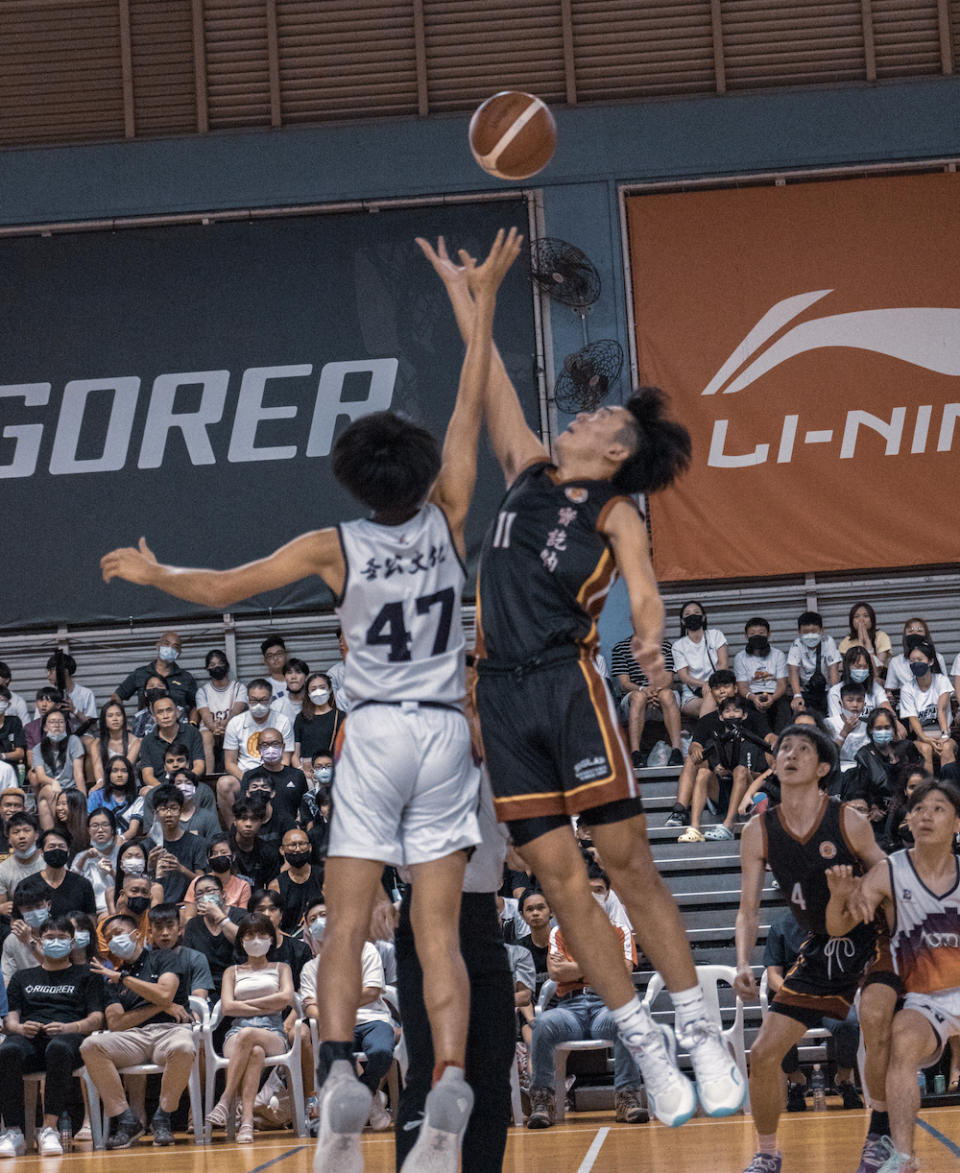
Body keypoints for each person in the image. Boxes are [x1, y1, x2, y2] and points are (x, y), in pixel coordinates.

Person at [102, 228, 523, 1173]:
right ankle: (449, 1080)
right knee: (439, 931)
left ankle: (337, 1072)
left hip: (370, 735)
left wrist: (153, 569)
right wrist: (481, 297)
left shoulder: (335, 546)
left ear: (355, 479)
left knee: (344, 919)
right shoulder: (452, 511)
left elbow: (222, 588)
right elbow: (468, 399)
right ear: (418, 474)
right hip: (446, 734)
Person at [419, 232, 746, 1136]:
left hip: (569, 687)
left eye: (598, 420)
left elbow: (644, 593)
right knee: (561, 881)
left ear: (617, 448)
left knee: (628, 863)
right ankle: (644, 1041)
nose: (580, 416)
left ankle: (698, 1028)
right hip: (500, 696)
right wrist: (469, 293)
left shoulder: (612, 512)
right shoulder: (527, 473)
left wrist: (651, 649)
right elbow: (488, 384)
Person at [733, 723, 894, 1173]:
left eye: (803, 749)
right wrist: (743, 962)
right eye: (784, 747)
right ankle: (767, 1153)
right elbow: (747, 910)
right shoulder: (757, 831)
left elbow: (890, 875)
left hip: (872, 935)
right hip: (822, 944)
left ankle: (880, 1134)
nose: (790, 754)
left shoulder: (846, 818)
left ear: (823, 767)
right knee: (764, 1055)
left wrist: (859, 892)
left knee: (876, 1021)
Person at [826, 778, 960, 1172]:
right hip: (928, 999)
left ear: (956, 823)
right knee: (901, 1040)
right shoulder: (889, 872)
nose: (926, 816)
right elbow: (839, 927)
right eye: (918, 808)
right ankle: (903, 1157)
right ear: (907, 819)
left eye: (938, 809)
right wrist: (841, 898)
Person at [525, 864, 645, 1129]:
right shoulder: (559, 931)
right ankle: (543, 1101)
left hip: (607, 1006)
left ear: (608, 894)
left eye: (599, 890)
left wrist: (576, 969)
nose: (594, 896)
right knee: (542, 1024)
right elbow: (556, 972)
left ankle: (627, 1098)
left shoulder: (620, 932)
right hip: (570, 1010)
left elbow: (622, 972)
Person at [81, 911, 201, 1148]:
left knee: (184, 1047)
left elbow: (165, 992)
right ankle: (126, 1120)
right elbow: (116, 1023)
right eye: (108, 937)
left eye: (118, 933)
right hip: (132, 1038)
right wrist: (162, 1006)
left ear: (136, 934)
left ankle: (162, 1117)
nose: (114, 940)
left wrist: (124, 978)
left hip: (170, 1031)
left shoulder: (164, 958)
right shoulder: (109, 979)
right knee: (90, 1046)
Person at [0, 913, 104, 1157]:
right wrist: (19, 1029)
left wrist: (70, 1028)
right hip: (29, 1039)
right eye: (49, 937)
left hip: (69, 1040)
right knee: (7, 1050)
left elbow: (97, 1018)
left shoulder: (87, 974)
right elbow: (10, 1019)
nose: (55, 942)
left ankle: (49, 1128)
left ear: (71, 942)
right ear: (40, 940)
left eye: (61, 937)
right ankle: (13, 1131)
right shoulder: (22, 977)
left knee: (58, 1047)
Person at [207, 911, 296, 1143]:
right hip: (236, 1034)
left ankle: (226, 1100)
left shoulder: (281, 968)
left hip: (274, 1033)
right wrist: (267, 1004)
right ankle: (246, 1122)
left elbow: (285, 998)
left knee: (251, 1036)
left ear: (271, 938)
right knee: (254, 1050)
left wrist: (244, 1005)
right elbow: (227, 1007)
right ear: (241, 941)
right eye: (249, 935)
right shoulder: (232, 972)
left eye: (261, 934)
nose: (256, 940)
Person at [764, 907, 863, 1112]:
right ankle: (796, 1080)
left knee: (849, 1023)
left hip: (829, 995)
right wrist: (794, 995)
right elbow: (773, 975)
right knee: (777, 1027)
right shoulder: (780, 926)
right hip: (795, 996)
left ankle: (844, 1079)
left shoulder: (835, 921)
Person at [679, 693, 772, 843]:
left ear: (744, 715)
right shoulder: (714, 742)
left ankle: (728, 827)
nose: (732, 715)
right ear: (721, 717)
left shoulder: (754, 743)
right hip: (720, 792)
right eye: (727, 711)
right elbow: (702, 762)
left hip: (746, 796)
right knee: (703, 772)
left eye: (736, 711)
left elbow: (761, 779)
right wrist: (717, 770)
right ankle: (694, 829)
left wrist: (742, 772)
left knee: (740, 770)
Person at [219, 682, 294, 826]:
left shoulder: (282, 721)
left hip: (275, 774)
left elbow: (285, 759)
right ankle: (233, 830)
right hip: (244, 776)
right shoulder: (236, 723)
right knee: (224, 784)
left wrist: (268, 782)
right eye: (254, 700)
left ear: (271, 699)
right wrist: (249, 780)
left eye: (263, 700)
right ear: (248, 700)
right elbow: (229, 763)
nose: (258, 704)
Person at [610, 632, 682, 768]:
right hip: (634, 696)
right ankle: (635, 753)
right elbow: (624, 684)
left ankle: (676, 751)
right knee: (639, 697)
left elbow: (668, 679)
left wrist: (654, 691)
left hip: (660, 694)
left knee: (667, 695)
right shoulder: (621, 648)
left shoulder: (665, 646)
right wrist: (644, 690)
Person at [182, 872, 244, 999]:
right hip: (205, 986)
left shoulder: (240, 916)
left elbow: (245, 943)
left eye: (210, 891)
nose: (205, 896)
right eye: (200, 894)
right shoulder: (193, 925)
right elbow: (189, 961)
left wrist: (220, 917)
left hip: (238, 982)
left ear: (223, 895)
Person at [898, 640, 956, 772]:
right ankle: (927, 790)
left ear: (930, 661)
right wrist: (926, 739)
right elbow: (913, 719)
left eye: (919, 659)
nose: (915, 663)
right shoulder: (907, 689)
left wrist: (944, 736)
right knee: (926, 749)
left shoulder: (941, 681)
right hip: (922, 738)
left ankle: (950, 790)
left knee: (946, 748)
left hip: (944, 734)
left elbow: (941, 710)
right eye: (912, 660)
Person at [111, 631, 198, 718]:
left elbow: (196, 705)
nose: (170, 648)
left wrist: (192, 724)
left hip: (177, 729)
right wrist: (122, 723)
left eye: (175, 646)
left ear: (179, 653)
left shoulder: (186, 678)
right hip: (145, 728)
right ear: (158, 646)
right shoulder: (140, 673)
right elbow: (117, 696)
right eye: (166, 644)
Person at [147, 784, 208, 903]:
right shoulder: (148, 844)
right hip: (156, 906)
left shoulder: (197, 842)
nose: (169, 814)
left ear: (181, 811)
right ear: (156, 813)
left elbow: (202, 882)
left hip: (186, 904)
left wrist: (181, 869)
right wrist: (150, 867)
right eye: (164, 809)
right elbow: (140, 885)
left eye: (173, 808)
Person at [672, 600, 729, 719]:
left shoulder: (715, 635)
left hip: (718, 688)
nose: (692, 616)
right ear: (682, 621)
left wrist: (712, 685)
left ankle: (700, 737)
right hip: (692, 696)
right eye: (687, 614)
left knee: (713, 700)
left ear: (703, 617)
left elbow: (723, 665)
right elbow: (684, 676)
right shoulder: (678, 645)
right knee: (712, 703)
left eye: (696, 612)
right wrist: (705, 684)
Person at [196, 649, 248, 775]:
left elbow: (236, 711)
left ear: (227, 665)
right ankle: (209, 776)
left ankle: (234, 775)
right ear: (207, 668)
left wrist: (225, 726)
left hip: (232, 727)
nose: (216, 667)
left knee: (232, 732)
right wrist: (214, 727)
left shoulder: (239, 688)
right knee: (206, 737)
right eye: (212, 665)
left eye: (220, 663)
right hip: (210, 730)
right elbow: (205, 715)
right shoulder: (202, 691)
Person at [735, 618, 790, 734]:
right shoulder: (740, 657)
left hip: (774, 696)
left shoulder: (778, 655)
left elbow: (782, 684)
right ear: (746, 636)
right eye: (752, 634)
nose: (757, 636)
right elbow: (742, 687)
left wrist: (773, 698)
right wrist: (753, 698)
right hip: (752, 697)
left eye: (761, 633)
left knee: (783, 708)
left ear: (768, 634)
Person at [139, 696, 205, 788]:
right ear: (154, 718)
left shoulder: (192, 733)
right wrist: (166, 790)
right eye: (160, 712)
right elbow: (147, 775)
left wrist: (184, 782)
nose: (165, 716)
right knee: (145, 792)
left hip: (189, 783)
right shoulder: (147, 740)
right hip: (160, 788)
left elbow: (199, 765)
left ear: (177, 713)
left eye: (169, 710)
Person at [270, 826, 325, 932]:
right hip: (292, 941)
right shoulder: (276, 885)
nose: (298, 849)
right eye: (292, 845)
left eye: (302, 844)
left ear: (310, 847)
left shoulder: (324, 876)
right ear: (282, 850)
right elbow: (274, 922)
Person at [786, 611, 841, 715]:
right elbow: (793, 671)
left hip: (826, 689)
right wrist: (797, 695)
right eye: (805, 632)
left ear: (821, 630)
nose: (810, 635)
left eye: (814, 631)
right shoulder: (796, 644)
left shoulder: (828, 641)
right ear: (799, 632)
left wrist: (835, 695)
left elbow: (833, 670)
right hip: (806, 690)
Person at [183, 833, 251, 916]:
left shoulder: (243, 886)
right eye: (214, 854)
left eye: (223, 852)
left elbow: (242, 917)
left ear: (233, 856)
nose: (219, 856)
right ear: (207, 860)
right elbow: (189, 917)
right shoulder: (197, 882)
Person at [27, 707, 86, 802]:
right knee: (49, 790)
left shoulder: (74, 741)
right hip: (49, 789)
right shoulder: (37, 749)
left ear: (65, 726)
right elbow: (41, 776)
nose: (57, 725)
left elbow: (78, 774)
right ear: (45, 727)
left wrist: (83, 799)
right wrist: (53, 782)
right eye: (52, 722)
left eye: (61, 722)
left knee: (46, 805)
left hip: (70, 790)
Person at [71, 808, 121, 915]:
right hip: (87, 910)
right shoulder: (81, 856)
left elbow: (128, 885)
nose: (100, 830)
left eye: (105, 825)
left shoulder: (122, 853)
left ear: (112, 829)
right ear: (89, 830)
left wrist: (112, 872)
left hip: (116, 908)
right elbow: (71, 882)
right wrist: (84, 858)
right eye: (95, 826)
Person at [884, 619, 949, 696]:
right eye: (910, 631)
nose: (915, 633)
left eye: (919, 631)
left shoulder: (938, 658)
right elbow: (890, 689)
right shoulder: (896, 662)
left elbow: (946, 688)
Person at [293, 672, 343, 769]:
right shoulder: (301, 718)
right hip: (307, 772)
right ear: (308, 693)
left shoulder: (341, 717)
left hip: (333, 770)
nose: (318, 692)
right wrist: (301, 771)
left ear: (330, 689)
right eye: (313, 689)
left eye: (322, 687)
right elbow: (295, 755)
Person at [229, 798, 281, 890]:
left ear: (261, 822)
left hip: (257, 900)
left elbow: (272, 887)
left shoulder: (269, 852)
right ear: (235, 821)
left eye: (254, 819)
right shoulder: (223, 846)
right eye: (243, 818)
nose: (248, 824)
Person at [89, 702, 141, 790]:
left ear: (124, 718)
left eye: (118, 715)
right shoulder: (96, 744)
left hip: (130, 786)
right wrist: (100, 783)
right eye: (110, 716)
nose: (115, 719)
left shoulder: (135, 742)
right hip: (106, 785)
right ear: (104, 720)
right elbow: (98, 768)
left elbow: (124, 767)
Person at [87, 754, 140, 832]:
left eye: (124, 771)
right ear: (108, 774)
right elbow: (89, 824)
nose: (119, 775)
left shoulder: (137, 798)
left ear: (130, 775)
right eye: (115, 771)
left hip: (128, 841)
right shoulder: (96, 796)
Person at [839, 602, 892, 673]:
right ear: (851, 621)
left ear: (872, 619)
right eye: (856, 617)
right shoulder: (846, 641)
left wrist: (866, 639)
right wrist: (861, 640)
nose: (861, 620)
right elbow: (850, 668)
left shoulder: (881, 636)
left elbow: (878, 669)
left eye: (866, 616)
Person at [0, 686, 26, 773]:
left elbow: (20, 753)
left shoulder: (14, 722)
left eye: (2, 700)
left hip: (10, 768)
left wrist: (2, 756)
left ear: (8, 704)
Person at [260, 636, 290, 705]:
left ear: (286, 655)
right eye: (270, 655)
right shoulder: (262, 687)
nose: (275, 658)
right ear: (265, 660)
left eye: (279, 653)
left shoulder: (299, 681)